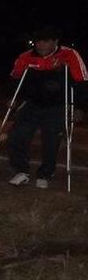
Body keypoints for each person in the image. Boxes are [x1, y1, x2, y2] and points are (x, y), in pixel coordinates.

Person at [7, 26, 87, 189]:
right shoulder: (26, 57)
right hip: (32, 103)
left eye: (46, 42)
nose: (41, 46)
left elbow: (81, 81)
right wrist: (12, 98)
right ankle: (21, 171)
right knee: (17, 135)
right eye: (38, 42)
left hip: (57, 106)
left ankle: (45, 173)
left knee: (51, 140)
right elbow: (15, 79)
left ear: (55, 42)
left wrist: (79, 107)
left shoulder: (69, 55)